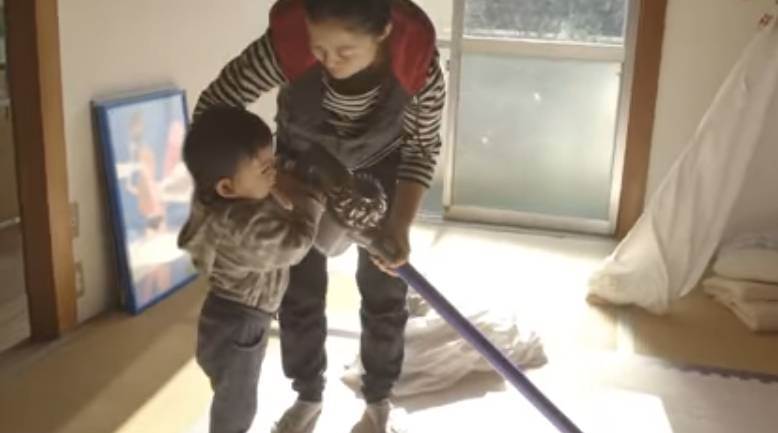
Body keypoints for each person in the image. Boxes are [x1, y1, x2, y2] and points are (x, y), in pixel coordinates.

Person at [194, 1, 446, 431]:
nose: (329, 61)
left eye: (345, 51)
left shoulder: (418, 66)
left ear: (383, 32)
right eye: (319, 48)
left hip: (381, 167)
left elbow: (421, 149)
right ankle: (307, 394)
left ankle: (379, 401)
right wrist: (271, 178)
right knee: (299, 290)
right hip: (300, 164)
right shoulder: (284, 45)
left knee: (385, 289)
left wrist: (399, 226)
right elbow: (214, 109)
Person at [178, 106, 325, 433]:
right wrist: (311, 202)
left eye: (273, 163)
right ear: (227, 188)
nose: (274, 173)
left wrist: (275, 181)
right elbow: (295, 245)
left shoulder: (229, 197)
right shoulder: (241, 226)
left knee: (231, 390)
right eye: (265, 169)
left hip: (227, 319)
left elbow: (267, 199)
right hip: (241, 324)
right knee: (237, 403)